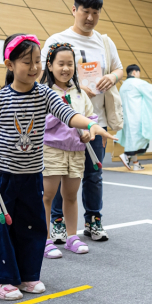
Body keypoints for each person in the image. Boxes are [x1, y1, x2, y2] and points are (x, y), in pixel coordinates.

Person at [0, 34, 117, 300]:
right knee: (1, 226)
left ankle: (27, 275)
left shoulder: (45, 94)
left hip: (31, 173)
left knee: (32, 224)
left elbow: (67, 114)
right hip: (3, 174)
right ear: (10, 65)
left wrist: (91, 125)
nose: (35, 67)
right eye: (27, 62)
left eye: (37, 61)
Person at [41, 0, 124, 243]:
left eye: (95, 13)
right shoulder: (57, 40)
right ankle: (57, 223)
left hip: (94, 120)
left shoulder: (104, 42)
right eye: (85, 11)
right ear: (74, 9)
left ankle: (93, 221)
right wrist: (76, 89)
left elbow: (119, 69)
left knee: (93, 173)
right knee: (58, 176)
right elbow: (45, 78)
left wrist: (111, 77)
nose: (89, 17)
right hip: (61, 124)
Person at [41, 42, 94, 259]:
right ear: (50, 66)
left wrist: (89, 131)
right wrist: (63, 114)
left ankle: (72, 237)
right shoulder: (43, 91)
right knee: (47, 196)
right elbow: (39, 122)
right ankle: (44, 240)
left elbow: (91, 118)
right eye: (60, 63)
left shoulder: (80, 93)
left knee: (71, 196)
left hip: (76, 151)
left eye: (69, 64)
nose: (65, 68)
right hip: (52, 150)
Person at [117, 65, 152, 171]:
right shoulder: (137, 83)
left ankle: (136, 164)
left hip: (126, 118)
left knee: (132, 141)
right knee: (142, 138)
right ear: (135, 72)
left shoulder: (123, 86)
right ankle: (126, 155)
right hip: (136, 117)